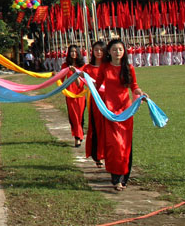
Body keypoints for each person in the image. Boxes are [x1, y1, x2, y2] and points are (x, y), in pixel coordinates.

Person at [97, 38, 146, 191]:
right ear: (109, 52)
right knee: (114, 144)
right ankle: (116, 177)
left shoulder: (128, 67)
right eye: (114, 49)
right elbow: (97, 86)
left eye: (120, 49)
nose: (117, 52)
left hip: (126, 110)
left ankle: (124, 178)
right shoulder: (105, 67)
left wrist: (140, 94)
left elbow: (134, 86)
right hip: (109, 110)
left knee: (125, 144)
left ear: (124, 52)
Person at [82, 40, 107, 167]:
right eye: (96, 50)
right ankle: (98, 155)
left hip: (109, 100)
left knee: (108, 127)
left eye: (101, 50)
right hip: (96, 101)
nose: (98, 52)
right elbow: (82, 81)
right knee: (97, 127)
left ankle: (107, 154)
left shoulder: (109, 66)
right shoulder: (87, 68)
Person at [62, 45, 86, 148]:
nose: (73, 54)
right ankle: (77, 137)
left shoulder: (83, 66)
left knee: (80, 117)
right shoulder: (65, 65)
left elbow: (80, 84)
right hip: (70, 94)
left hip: (80, 94)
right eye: (71, 51)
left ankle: (79, 134)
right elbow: (61, 80)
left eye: (75, 52)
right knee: (73, 117)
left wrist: (75, 72)